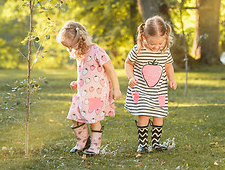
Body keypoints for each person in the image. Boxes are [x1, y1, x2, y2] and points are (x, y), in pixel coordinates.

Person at [56, 21, 121, 156]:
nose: (69, 49)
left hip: (97, 93)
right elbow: (86, 73)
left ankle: (95, 147)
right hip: (83, 93)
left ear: (80, 39)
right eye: (67, 47)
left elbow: (111, 70)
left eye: (70, 46)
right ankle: (82, 142)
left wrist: (116, 89)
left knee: (94, 119)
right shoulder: (79, 54)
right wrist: (77, 82)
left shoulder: (97, 51)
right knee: (75, 115)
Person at [124, 16, 177, 153]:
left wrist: (171, 79)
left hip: (158, 91)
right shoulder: (138, 49)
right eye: (153, 44)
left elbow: (168, 66)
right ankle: (143, 143)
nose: (156, 47)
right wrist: (131, 77)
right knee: (144, 114)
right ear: (144, 36)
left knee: (158, 115)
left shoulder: (164, 50)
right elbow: (128, 63)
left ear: (165, 37)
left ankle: (156, 142)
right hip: (141, 89)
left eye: (160, 43)